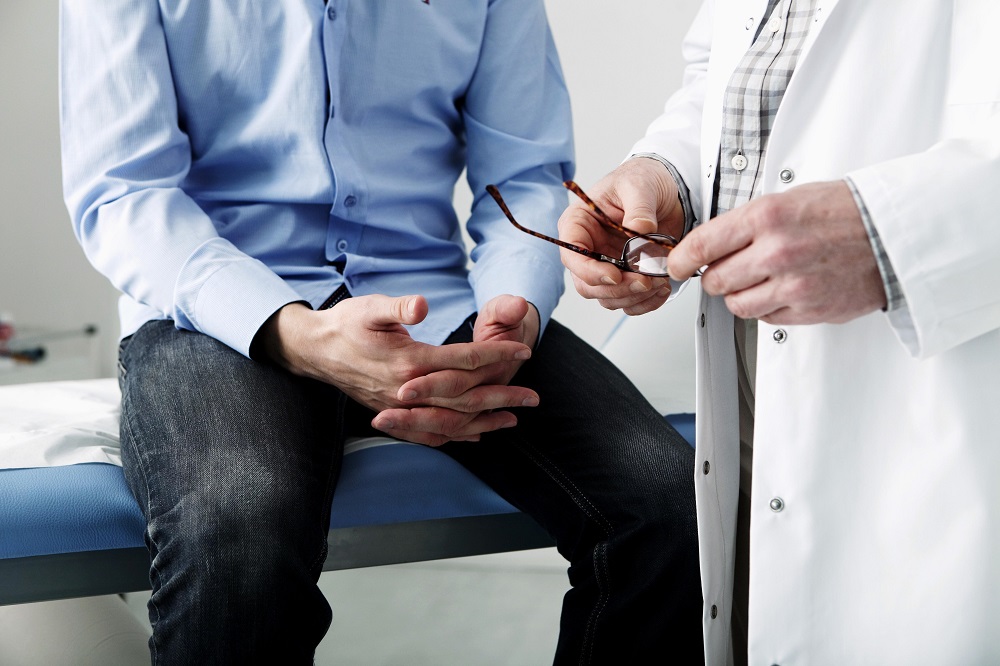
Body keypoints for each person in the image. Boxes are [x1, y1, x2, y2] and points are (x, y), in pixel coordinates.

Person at [59, 1, 704, 663]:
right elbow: (124, 195)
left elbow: (521, 173)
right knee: (240, 524)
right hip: (216, 309)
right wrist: (296, 334)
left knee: (671, 510)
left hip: (436, 302)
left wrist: (513, 313)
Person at [557, 1, 1000, 664]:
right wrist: (668, 176)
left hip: (949, 358)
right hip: (753, 354)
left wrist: (892, 234)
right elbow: (735, 73)